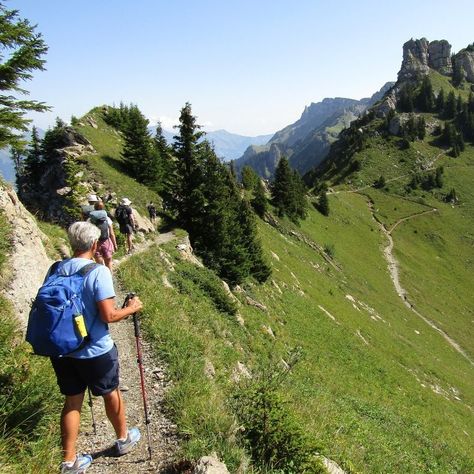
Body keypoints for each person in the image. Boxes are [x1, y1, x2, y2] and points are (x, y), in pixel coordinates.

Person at [48, 221, 143, 473]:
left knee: (72, 403)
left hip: (61, 349)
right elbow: (108, 316)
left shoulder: (55, 269)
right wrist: (132, 308)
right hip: (94, 350)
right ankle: (123, 439)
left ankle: (69, 462)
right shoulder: (98, 272)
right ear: (94, 244)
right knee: (110, 392)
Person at [89, 201, 117, 272]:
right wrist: (114, 244)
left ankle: (102, 273)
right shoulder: (107, 218)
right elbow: (111, 233)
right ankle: (110, 275)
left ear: (94, 208)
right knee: (109, 261)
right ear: (103, 207)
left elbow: (88, 233)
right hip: (106, 241)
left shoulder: (90, 219)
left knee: (98, 259)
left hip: (95, 242)